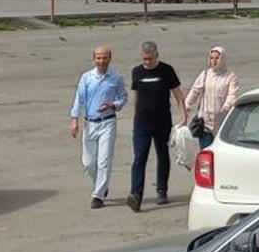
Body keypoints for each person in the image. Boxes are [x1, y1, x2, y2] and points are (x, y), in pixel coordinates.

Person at [126, 40, 187, 213]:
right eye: (145, 59)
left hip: (162, 122)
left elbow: (178, 95)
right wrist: (135, 114)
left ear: (157, 55)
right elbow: (136, 96)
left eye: (150, 59)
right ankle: (136, 195)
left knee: (162, 154)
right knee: (139, 157)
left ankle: (162, 190)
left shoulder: (167, 70)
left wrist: (183, 117)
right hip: (142, 123)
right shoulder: (136, 72)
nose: (147, 62)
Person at [69, 46, 128, 209]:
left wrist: (113, 105)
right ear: (94, 59)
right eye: (98, 58)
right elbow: (79, 99)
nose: (101, 61)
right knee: (88, 162)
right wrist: (75, 120)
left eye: (105, 58)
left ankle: (98, 195)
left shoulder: (115, 77)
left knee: (104, 161)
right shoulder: (87, 77)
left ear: (110, 59)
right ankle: (100, 184)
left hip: (108, 122)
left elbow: (123, 97)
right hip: (90, 123)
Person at [184, 46, 240, 149]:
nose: (214, 61)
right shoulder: (205, 74)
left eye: (217, 58)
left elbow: (232, 95)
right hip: (205, 121)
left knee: (220, 150)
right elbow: (195, 91)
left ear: (222, 59)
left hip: (222, 120)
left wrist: (226, 107)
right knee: (206, 151)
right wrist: (187, 104)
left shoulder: (230, 77)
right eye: (211, 58)